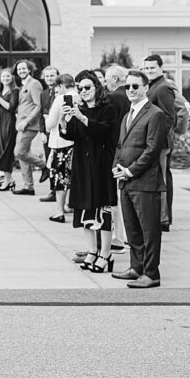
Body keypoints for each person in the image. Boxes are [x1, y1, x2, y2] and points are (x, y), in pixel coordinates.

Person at [112, 71, 167, 289]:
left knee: (149, 231)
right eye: (127, 86)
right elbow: (120, 145)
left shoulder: (155, 114)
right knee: (132, 229)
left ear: (146, 87)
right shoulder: (128, 114)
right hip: (126, 181)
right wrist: (116, 167)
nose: (131, 90)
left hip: (145, 183)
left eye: (135, 86)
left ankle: (151, 274)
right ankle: (137, 267)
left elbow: (152, 150)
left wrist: (130, 171)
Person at [61, 70, 118, 273]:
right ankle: (92, 251)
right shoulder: (80, 108)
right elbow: (73, 135)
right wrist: (64, 122)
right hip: (82, 165)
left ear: (96, 87)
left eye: (87, 87)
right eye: (80, 88)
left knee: (103, 209)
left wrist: (82, 118)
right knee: (84, 208)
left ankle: (106, 254)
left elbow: (104, 131)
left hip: (101, 163)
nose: (83, 91)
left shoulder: (107, 108)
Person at [142, 55, 176, 230]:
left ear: (161, 68)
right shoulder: (153, 85)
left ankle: (163, 219)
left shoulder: (163, 88)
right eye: (146, 68)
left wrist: (155, 140)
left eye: (152, 68)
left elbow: (169, 118)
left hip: (160, 144)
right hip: (154, 142)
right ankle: (161, 217)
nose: (149, 71)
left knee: (162, 180)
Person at [43, 74, 77, 223]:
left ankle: (59, 211)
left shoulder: (60, 99)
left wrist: (46, 119)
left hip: (61, 143)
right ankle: (69, 204)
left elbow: (51, 123)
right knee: (72, 175)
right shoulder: (80, 97)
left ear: (61, 86)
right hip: (75, 143)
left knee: (60, 177)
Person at [104, 64, 131, 250]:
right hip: (129, 150)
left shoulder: (112, 98)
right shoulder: (131, 96)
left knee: (115, 197)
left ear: (114, 79)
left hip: (115, 151)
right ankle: (126, 237)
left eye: (106, 80)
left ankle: (119, 238)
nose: (106, 84)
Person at [12, 60, 47, 196]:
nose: (21, 71)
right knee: (23, 155)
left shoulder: (34, 84)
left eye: (23, 68)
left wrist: (26, 121)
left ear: (29, 69)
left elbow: (38, 106)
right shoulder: (23, 85)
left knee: (19, 152)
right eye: (19, 69)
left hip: (29, 125)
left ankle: (44, 166)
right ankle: (28, 186)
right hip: (20, 124)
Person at [39, 66, 59, 203]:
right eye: (47, 76)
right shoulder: (44, 94)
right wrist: (42, 132)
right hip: (47, 133)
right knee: (50, 162)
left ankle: (58, 191)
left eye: (52, 75)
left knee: (58, 163)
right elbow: (41, 114)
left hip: (59, 133)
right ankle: (52, 191)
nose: (49, 78)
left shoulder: (60, 91)